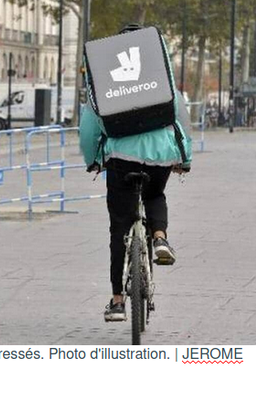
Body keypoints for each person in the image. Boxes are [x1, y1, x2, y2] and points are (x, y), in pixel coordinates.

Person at [80, 24, 193, 323]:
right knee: (155, 193)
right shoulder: (162, 79)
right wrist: (184, 159)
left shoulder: (106, 82)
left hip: (121, 157)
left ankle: (117, 300)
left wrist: (93, 160)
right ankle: (159, 238)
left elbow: (89, 126)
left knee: (119, 228)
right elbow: (181, 119)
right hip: (161, 154)